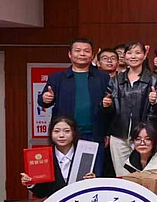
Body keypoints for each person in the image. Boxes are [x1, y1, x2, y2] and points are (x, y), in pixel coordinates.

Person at [38, 38, 109, 175]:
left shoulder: (102, 77)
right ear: (70, 54)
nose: (82, 54)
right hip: (66, 136)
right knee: (65, 175)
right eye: (78, 51)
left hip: (93, 135)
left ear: (92, 55)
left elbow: (110, 107)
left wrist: (108, 106)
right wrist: (45, 99)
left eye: (86, 51)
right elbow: (44, 100)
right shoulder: (57, 78)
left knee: (92, 176)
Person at [105, 41, 157, 176]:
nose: (133, 56)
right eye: (129, 53)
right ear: (124, 56)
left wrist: (154, 102)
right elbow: (109, 111)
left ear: (144, 55)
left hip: (143, 136)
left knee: (143, 174)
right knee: (121, 174)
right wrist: (106, 105)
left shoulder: (153, 80)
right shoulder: (116, 80)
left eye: (137, 52)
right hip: (118, 134)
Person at [21, 116, 93, 197]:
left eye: (67, 131)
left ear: (74, 133)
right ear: (51, 133)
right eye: (56, 131)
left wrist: (92, 181)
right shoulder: (44, 156)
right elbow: (41, 193)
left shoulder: (85, 154)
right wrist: (31, 182)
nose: (61, 135)